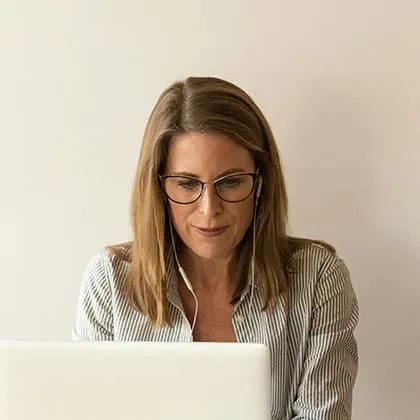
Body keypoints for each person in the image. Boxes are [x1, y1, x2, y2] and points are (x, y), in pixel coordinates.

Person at [74, 76, 359, 419]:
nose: (209, 209)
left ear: (261, 181)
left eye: (231, 182)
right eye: (187, 183)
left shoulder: (318, 279)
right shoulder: (109, 281)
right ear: (159, 188)